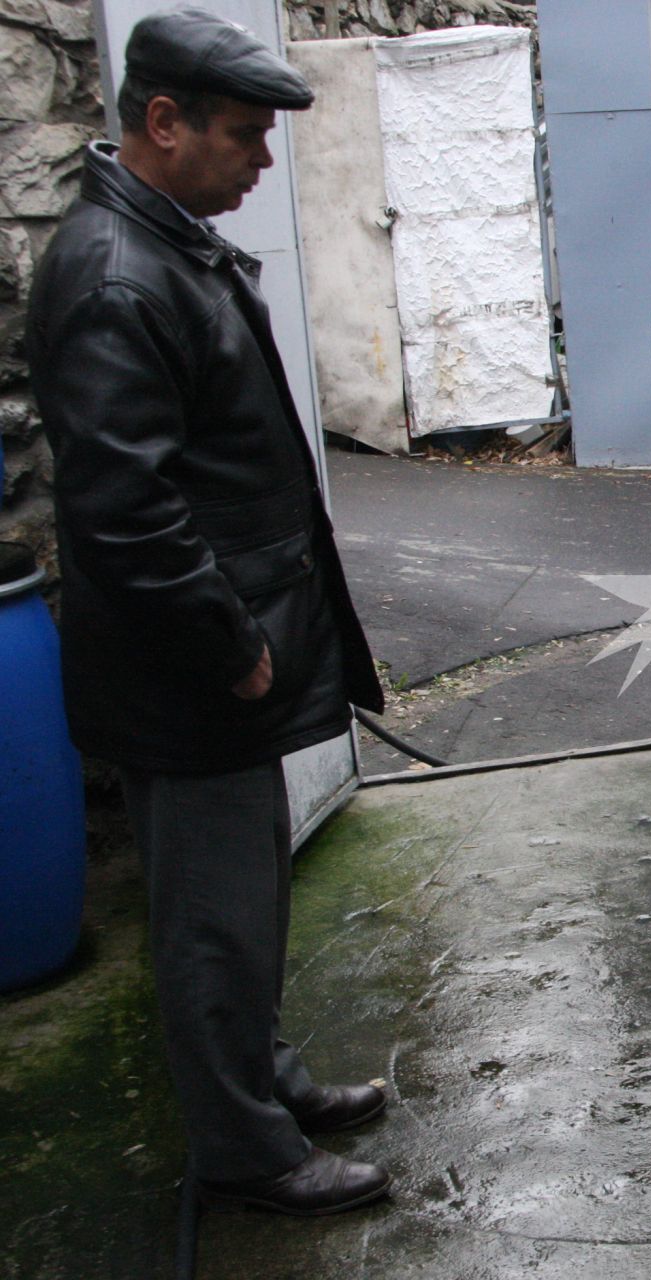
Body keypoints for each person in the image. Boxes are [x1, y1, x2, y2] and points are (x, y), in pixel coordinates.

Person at [26, 6, 392, 1215]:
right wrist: (232, 648)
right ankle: (246, 1147)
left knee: (245, 897)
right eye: (243, 135)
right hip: (194, 666)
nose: (262, 161)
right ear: (163, 123)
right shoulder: (117, 274)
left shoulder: (165, 240)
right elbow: (125, 507)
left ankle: (266, 1078)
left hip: (220, 653)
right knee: (207, 920)